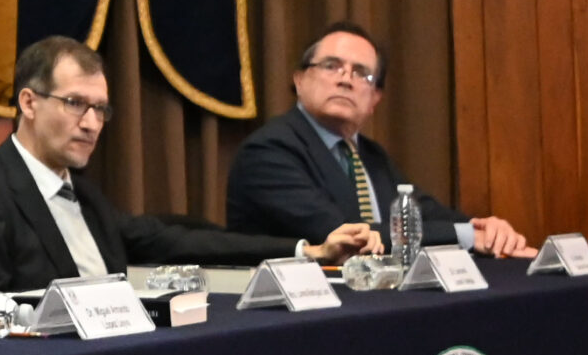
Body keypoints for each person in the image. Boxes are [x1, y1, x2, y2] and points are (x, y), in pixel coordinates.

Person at [0, 37, 371, 289]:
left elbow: (176, 242)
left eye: (101, 109)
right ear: (28, 102)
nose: (91, 124)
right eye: (75, 104)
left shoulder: (86, 196)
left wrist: (307, 251)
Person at [226, 22, 532, 257]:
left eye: (362, 73)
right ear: (299, 80)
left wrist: (482, 228)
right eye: (331, 66)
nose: (345, 79)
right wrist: (464, 235)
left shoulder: (370, 155)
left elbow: (419, 210)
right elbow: (348, 233)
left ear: (375, 99)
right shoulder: (269, 151)